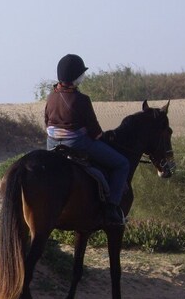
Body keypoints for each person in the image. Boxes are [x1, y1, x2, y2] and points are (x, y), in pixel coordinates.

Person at [45, 53, 129, 226]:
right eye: (81, 74)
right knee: (122, 164)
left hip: (51, 143)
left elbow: (46, 121)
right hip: (77, 144)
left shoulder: (50, 96)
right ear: (76, 77)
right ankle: (112, 207)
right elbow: (94, 130)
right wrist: (102, 137)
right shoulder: (82, 99)